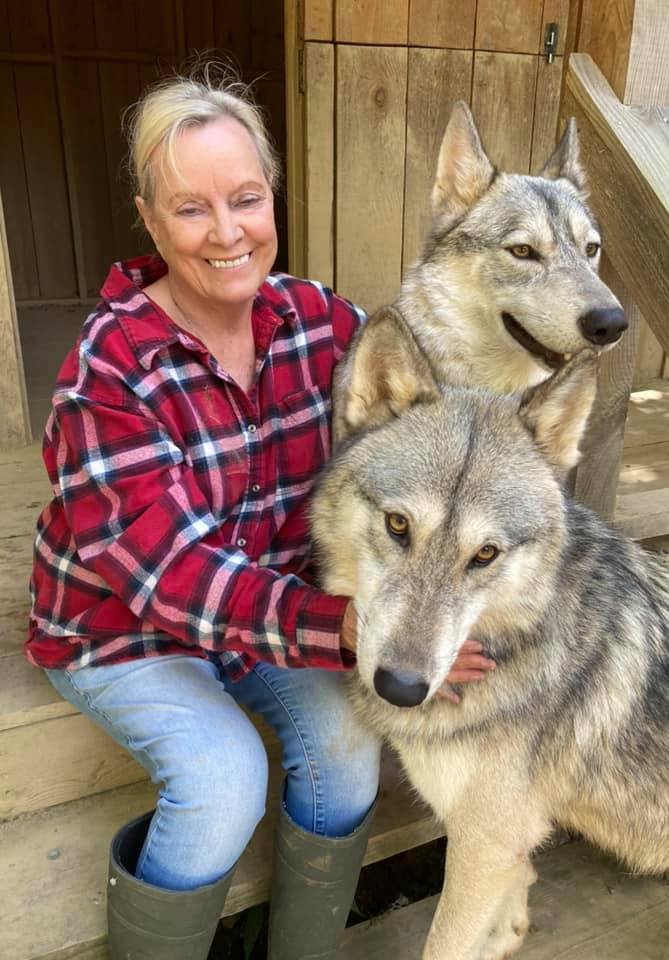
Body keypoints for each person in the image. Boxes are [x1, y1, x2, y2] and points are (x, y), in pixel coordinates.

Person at [26, 66, 495, 960]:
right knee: (221, 775)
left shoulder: (319, 322)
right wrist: (349, 625)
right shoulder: (110, 371)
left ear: (272, 196)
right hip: (123, 629)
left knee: (348, 743)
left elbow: (440, 407)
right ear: (150, 219)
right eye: (191, 209)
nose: (227, 231)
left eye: (245, 198)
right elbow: (173, 578)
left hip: (267, 622)